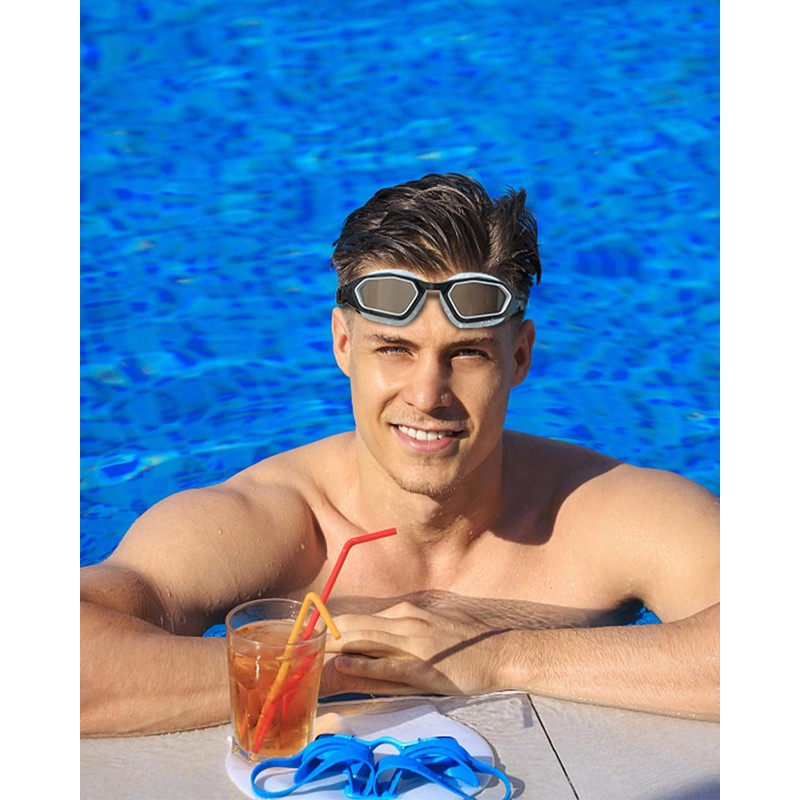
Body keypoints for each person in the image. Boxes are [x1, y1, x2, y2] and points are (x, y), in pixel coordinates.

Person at [80, 173, 719, 737]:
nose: (427, 395)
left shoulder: (601, 512)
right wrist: (335, 665)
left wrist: (499, 656)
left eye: (466, 353)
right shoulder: (272, 521)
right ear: (343, 344)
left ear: (520, 356)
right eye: (394, 349)